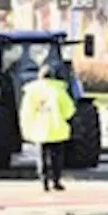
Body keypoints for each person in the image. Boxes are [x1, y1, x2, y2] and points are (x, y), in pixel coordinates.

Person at [18, 63, 76, 192]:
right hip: (57, 129)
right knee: (57, 157)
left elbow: (26, 112)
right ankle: (56, 181)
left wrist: (29, 126)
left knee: (41, 156)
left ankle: (43, 181)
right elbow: (69, 110)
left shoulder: (31, 92)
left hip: (39, 130)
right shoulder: (59, 91)